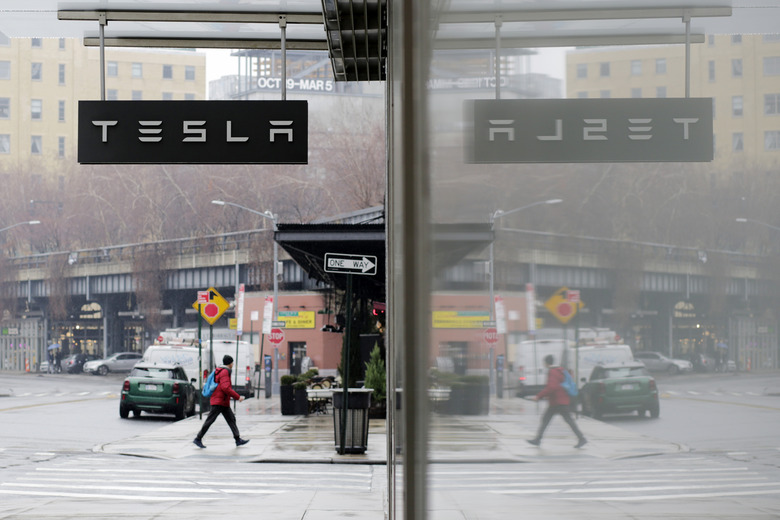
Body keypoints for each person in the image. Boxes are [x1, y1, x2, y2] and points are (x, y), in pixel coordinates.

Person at [527, 354, 587, 449]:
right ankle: (538, 439)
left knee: (556, 420)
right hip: (560, 400)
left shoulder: (552, 371)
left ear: (546, 363)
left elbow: (552, 387)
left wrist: (538, 396)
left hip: (557, 402)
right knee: (550, 419)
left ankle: (582, 438)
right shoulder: (560, 370)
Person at [193, 355, 250, 448]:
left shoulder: (221, 370)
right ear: (230, 363)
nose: (233, 364)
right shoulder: (225, 372)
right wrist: (238, 397)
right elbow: (225, 387)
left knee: (231, 419)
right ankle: (198, 438)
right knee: (210, 421)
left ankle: (237, 439)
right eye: (232, 362)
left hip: (222, 401)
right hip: (219, 401)